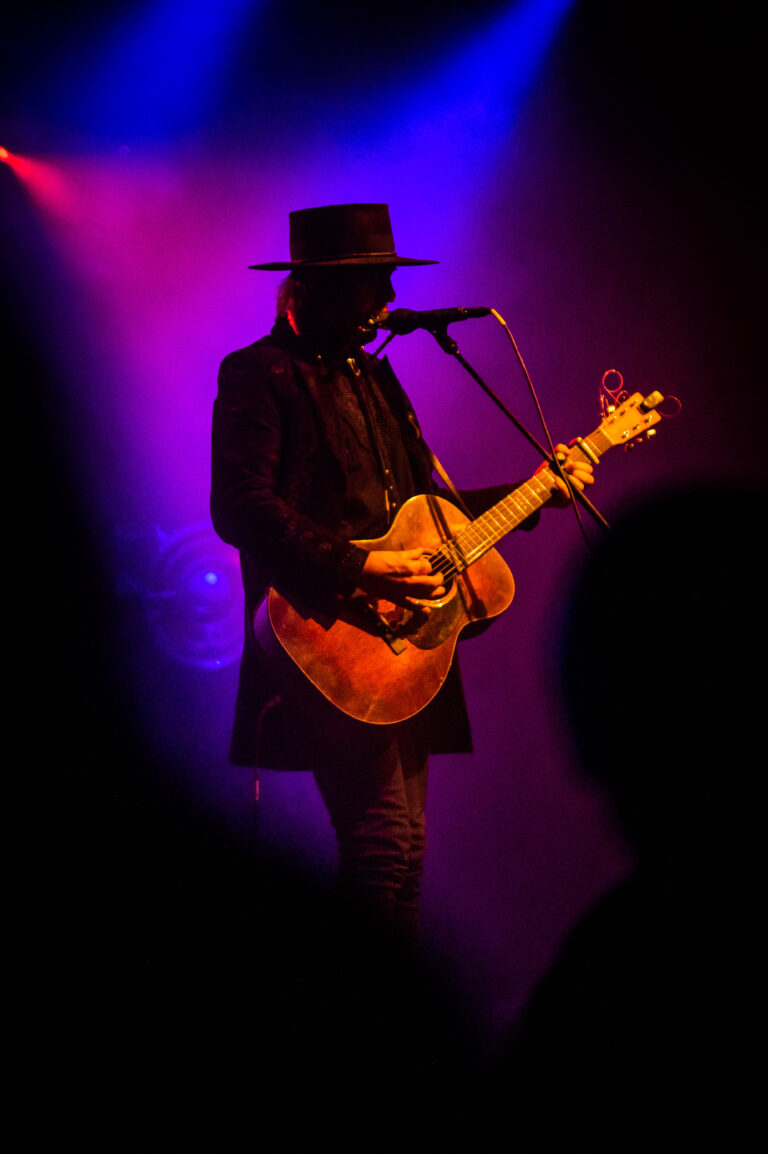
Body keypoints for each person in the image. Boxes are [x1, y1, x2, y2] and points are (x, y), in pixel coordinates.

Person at [210, 203, 593, 947]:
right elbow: (241, 508)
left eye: (385, 285)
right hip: (330, 632)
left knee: (406, 854)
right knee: (382, 845)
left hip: (398, 646)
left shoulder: (378, 381)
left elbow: (437, 514)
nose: (384, 305)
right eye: (367, 288)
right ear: (310, 290)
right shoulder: (259, 375)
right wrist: (363, 566)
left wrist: (541, 487)